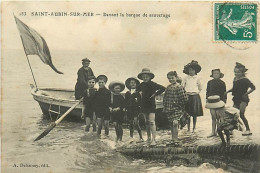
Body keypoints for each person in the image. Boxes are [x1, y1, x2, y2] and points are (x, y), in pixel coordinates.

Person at [137, 68, 165, 146]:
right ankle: (148, 138)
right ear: (142, 77)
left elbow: (163, 88)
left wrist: (155, 94)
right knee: (146, 122)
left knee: (152, 122)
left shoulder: (153, 84)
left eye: (147, 76)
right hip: (143, 104)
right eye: (144, 77)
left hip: (151, 104)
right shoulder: (141, 85)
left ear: (150, 77)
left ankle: (154, 139)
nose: (145, 78)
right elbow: (136, 92)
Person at [225, 62, 255, 136]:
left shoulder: (245, 80)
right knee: (233, 114)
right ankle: (232, 129)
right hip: (236, 98)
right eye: (235, 72)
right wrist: (228, 91)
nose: (236, 73)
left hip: (243, 99)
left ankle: (248, 129)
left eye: (238, 72)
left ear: (243, 72)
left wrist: (246, 93)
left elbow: (253, 88)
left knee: (241, 114)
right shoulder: (235, 79)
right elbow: (234, 88)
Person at [163, 71, 188, 145]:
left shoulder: (180, 87)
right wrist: (165, 106)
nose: (171, 80)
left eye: (172, 78)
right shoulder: (168, 87)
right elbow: (165, 98)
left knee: (175, 123)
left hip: (177, 108)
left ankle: (176, 139)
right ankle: (173, 139)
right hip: (169, 108)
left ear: (176, 78)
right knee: (171, 123)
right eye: (169, 78)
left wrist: (180, 106)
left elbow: (184, 99)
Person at [182, 60, 203, 132]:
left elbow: (200, 88)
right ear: (188, 71)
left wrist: (196, 92)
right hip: (187, 96)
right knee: (187, 113)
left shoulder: (197, 78)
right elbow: (182, 87)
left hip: (195, 96)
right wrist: (185, 94)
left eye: (193, 70)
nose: (191, 72)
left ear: (195, 71)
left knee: (194, 113)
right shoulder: (185, 78)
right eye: (190, 70)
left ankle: (194, 127)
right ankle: (188, 128)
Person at [206, 69, 226, 137]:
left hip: (219, 102)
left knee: (220, 117)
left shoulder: (222, 83)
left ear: (219, 75)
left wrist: (224, 101)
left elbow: (224, 93)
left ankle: (219, 130)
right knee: (213, 117)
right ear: (212, 75)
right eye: (214, 73)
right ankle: (213, 132)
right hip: (211, 101)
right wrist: (207, 99)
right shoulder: (209, 82)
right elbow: (207, 91)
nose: (216, 75)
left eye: (217, 73)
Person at [125, 77, 143, 142]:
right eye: (131, 83)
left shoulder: (138, 93)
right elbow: (126, 102)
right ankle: (131, 137)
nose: (132, 84)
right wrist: (125, 108)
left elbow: (140, 102)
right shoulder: (127, 93)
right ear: (129, 84)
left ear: (136, 84)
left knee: (136, 123)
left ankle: (141, 137)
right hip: (129, 110)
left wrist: (140, 110)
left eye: (134, 83)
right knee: (131, 124)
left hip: (136, 110)